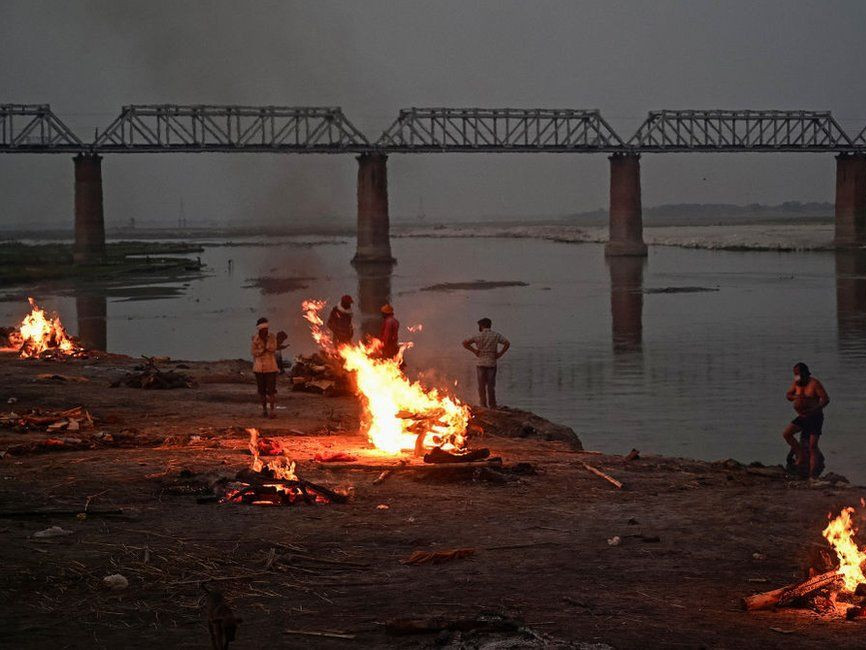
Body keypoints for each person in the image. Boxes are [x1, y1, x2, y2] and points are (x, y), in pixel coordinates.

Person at [782, 362, 830, 479]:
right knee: (787, 433)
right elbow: (788, 395)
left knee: (813, 445)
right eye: (795, 375)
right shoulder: (796, 383)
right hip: (802, 417)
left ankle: (812, 475)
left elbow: (825, 399)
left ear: (804, 373)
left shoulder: (814, 383)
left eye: (798, 374)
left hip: (814, 417)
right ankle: (800, 455)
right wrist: (796, 397)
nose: (796, 377)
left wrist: (815, 409)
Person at [462, 317, 510, 409]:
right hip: (492, 363)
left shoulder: (478, 336)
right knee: (491, 386)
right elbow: (507, 343)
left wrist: (474, 351)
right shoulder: (496, 335)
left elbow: (464, 343)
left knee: (481, 386)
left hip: (481, 363)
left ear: (482, 326)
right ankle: (492, 405)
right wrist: (500, 353)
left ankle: (483, 404)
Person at [251, 317, 279, 418]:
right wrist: (261, 351)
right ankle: (264, 410)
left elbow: (273, 348)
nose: (265, 332)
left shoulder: (272, 337)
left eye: (266, 330)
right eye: (263, 330)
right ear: (259, 330)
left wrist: (266, 344)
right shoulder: (255, 339)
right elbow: (253, 352)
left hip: (271, 368)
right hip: (259, 369)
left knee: (271, 391)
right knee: (261, 391)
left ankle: (272, 411)